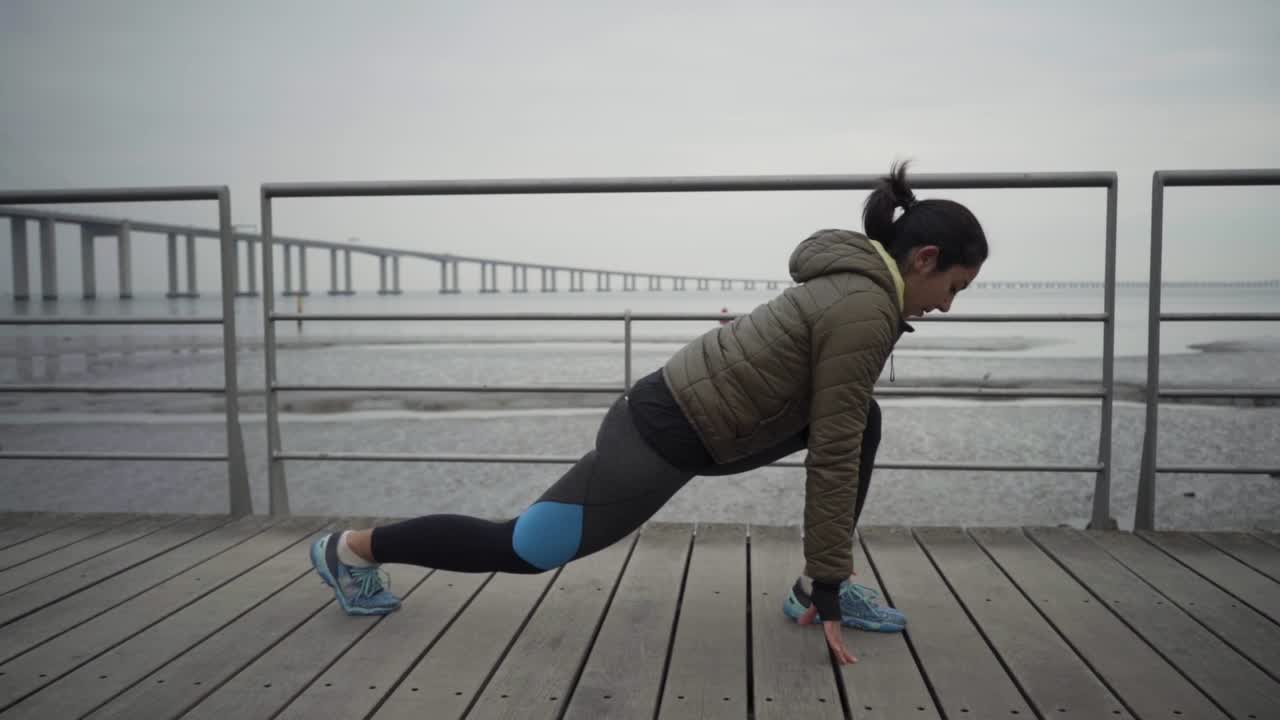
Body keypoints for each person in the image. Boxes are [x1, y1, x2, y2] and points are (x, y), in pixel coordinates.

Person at [309, 160, 988, 665]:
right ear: (924, 259)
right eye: (953, 287)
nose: (948, 305)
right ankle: (352, 549)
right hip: (660, 436)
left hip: (696, 424)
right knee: (525, 547)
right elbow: (832, 456)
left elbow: (839, 429)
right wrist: (837, 589)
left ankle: (810, 583)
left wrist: (827, 579)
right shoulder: (866, 307)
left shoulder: (852, 284)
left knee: (862, 419)